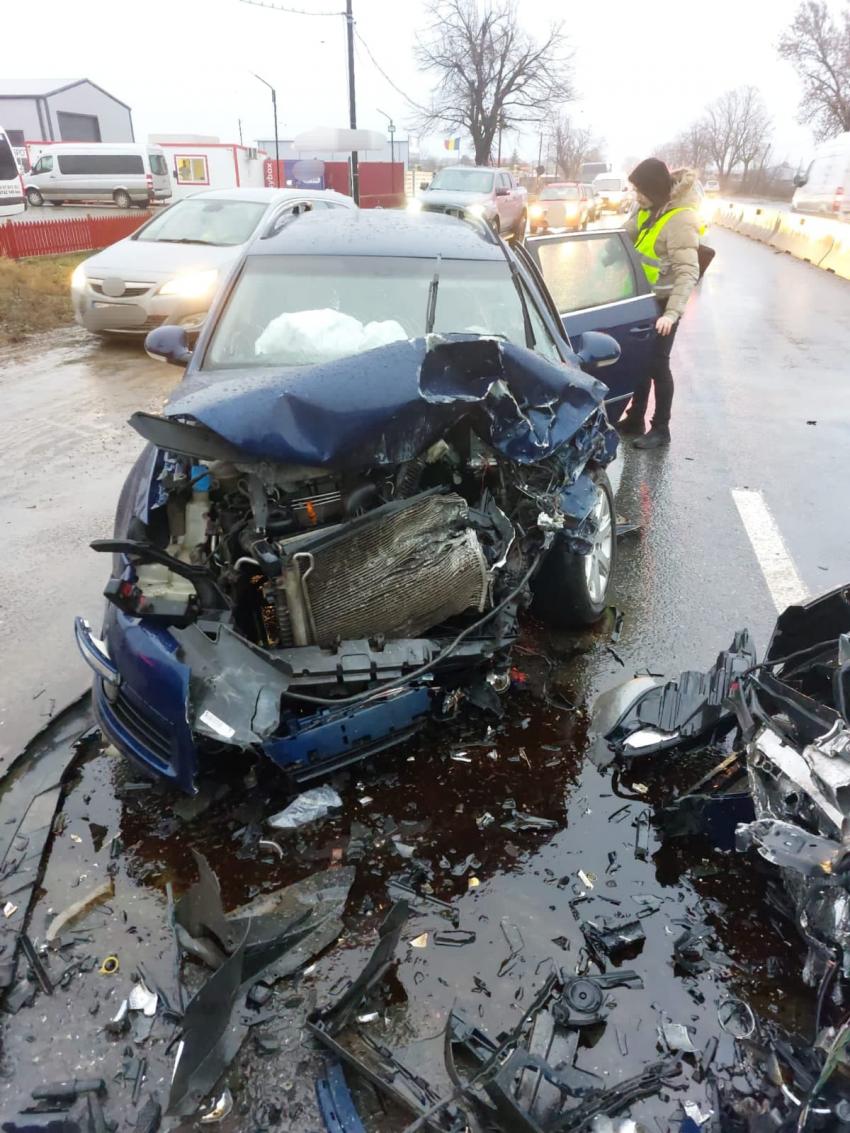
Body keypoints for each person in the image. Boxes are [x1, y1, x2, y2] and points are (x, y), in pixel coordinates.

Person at [617, 158, 702, 449]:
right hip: (642, 301)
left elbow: (688, 271)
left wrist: (672, 313)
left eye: (639, 190)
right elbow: (621, 238)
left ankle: (661, 428)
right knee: (639, 360)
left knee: (657, 365)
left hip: (664, 305)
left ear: (652, 189)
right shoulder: (646, 211)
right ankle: (635, 417)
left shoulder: (680, 219)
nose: (636, 195)